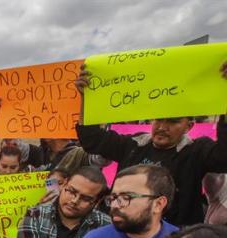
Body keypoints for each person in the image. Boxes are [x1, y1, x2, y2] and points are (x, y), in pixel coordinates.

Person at [74, 60, 227, 226]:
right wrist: (88, 98)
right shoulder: (133, 145)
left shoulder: (196, 151)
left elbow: (224, 157)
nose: (162, 127)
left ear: (188, 126)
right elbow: (92, 140)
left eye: (172, 121)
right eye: (158, 119)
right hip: (126, 232)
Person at [17, 166, 110, 238]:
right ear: (64, 184)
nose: (75, 201)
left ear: (97, 201)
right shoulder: (35, 214)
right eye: (71, 191)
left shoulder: (105, 225)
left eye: (85, 198)